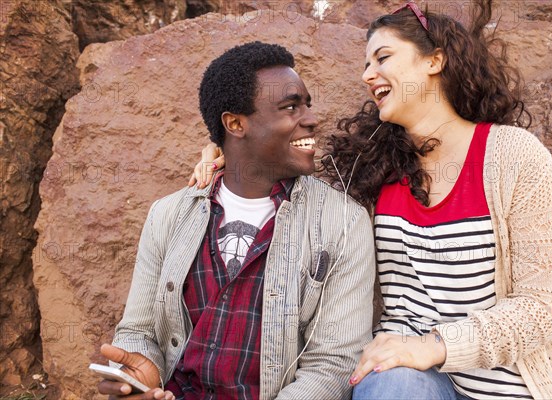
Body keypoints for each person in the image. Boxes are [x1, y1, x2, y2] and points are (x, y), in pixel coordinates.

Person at [191, 1, 552, 399]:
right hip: (402, 381)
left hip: (502, 387)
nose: (367, 75)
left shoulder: (513, 156)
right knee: (393, 383)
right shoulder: (371, 165)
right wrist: (225, 152)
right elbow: (285, 167)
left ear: (435, 61)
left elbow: (541, 306)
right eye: (366, 64)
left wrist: (433, 345)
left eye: (382, 57)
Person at [97, 41, 375, 400]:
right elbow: (139, 330)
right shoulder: (168, 215)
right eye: (291, 107)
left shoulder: (343, 223)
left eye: (307, 105)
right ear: (235, 123)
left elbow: (334, 364)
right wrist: (137, 372)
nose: (311, 119)